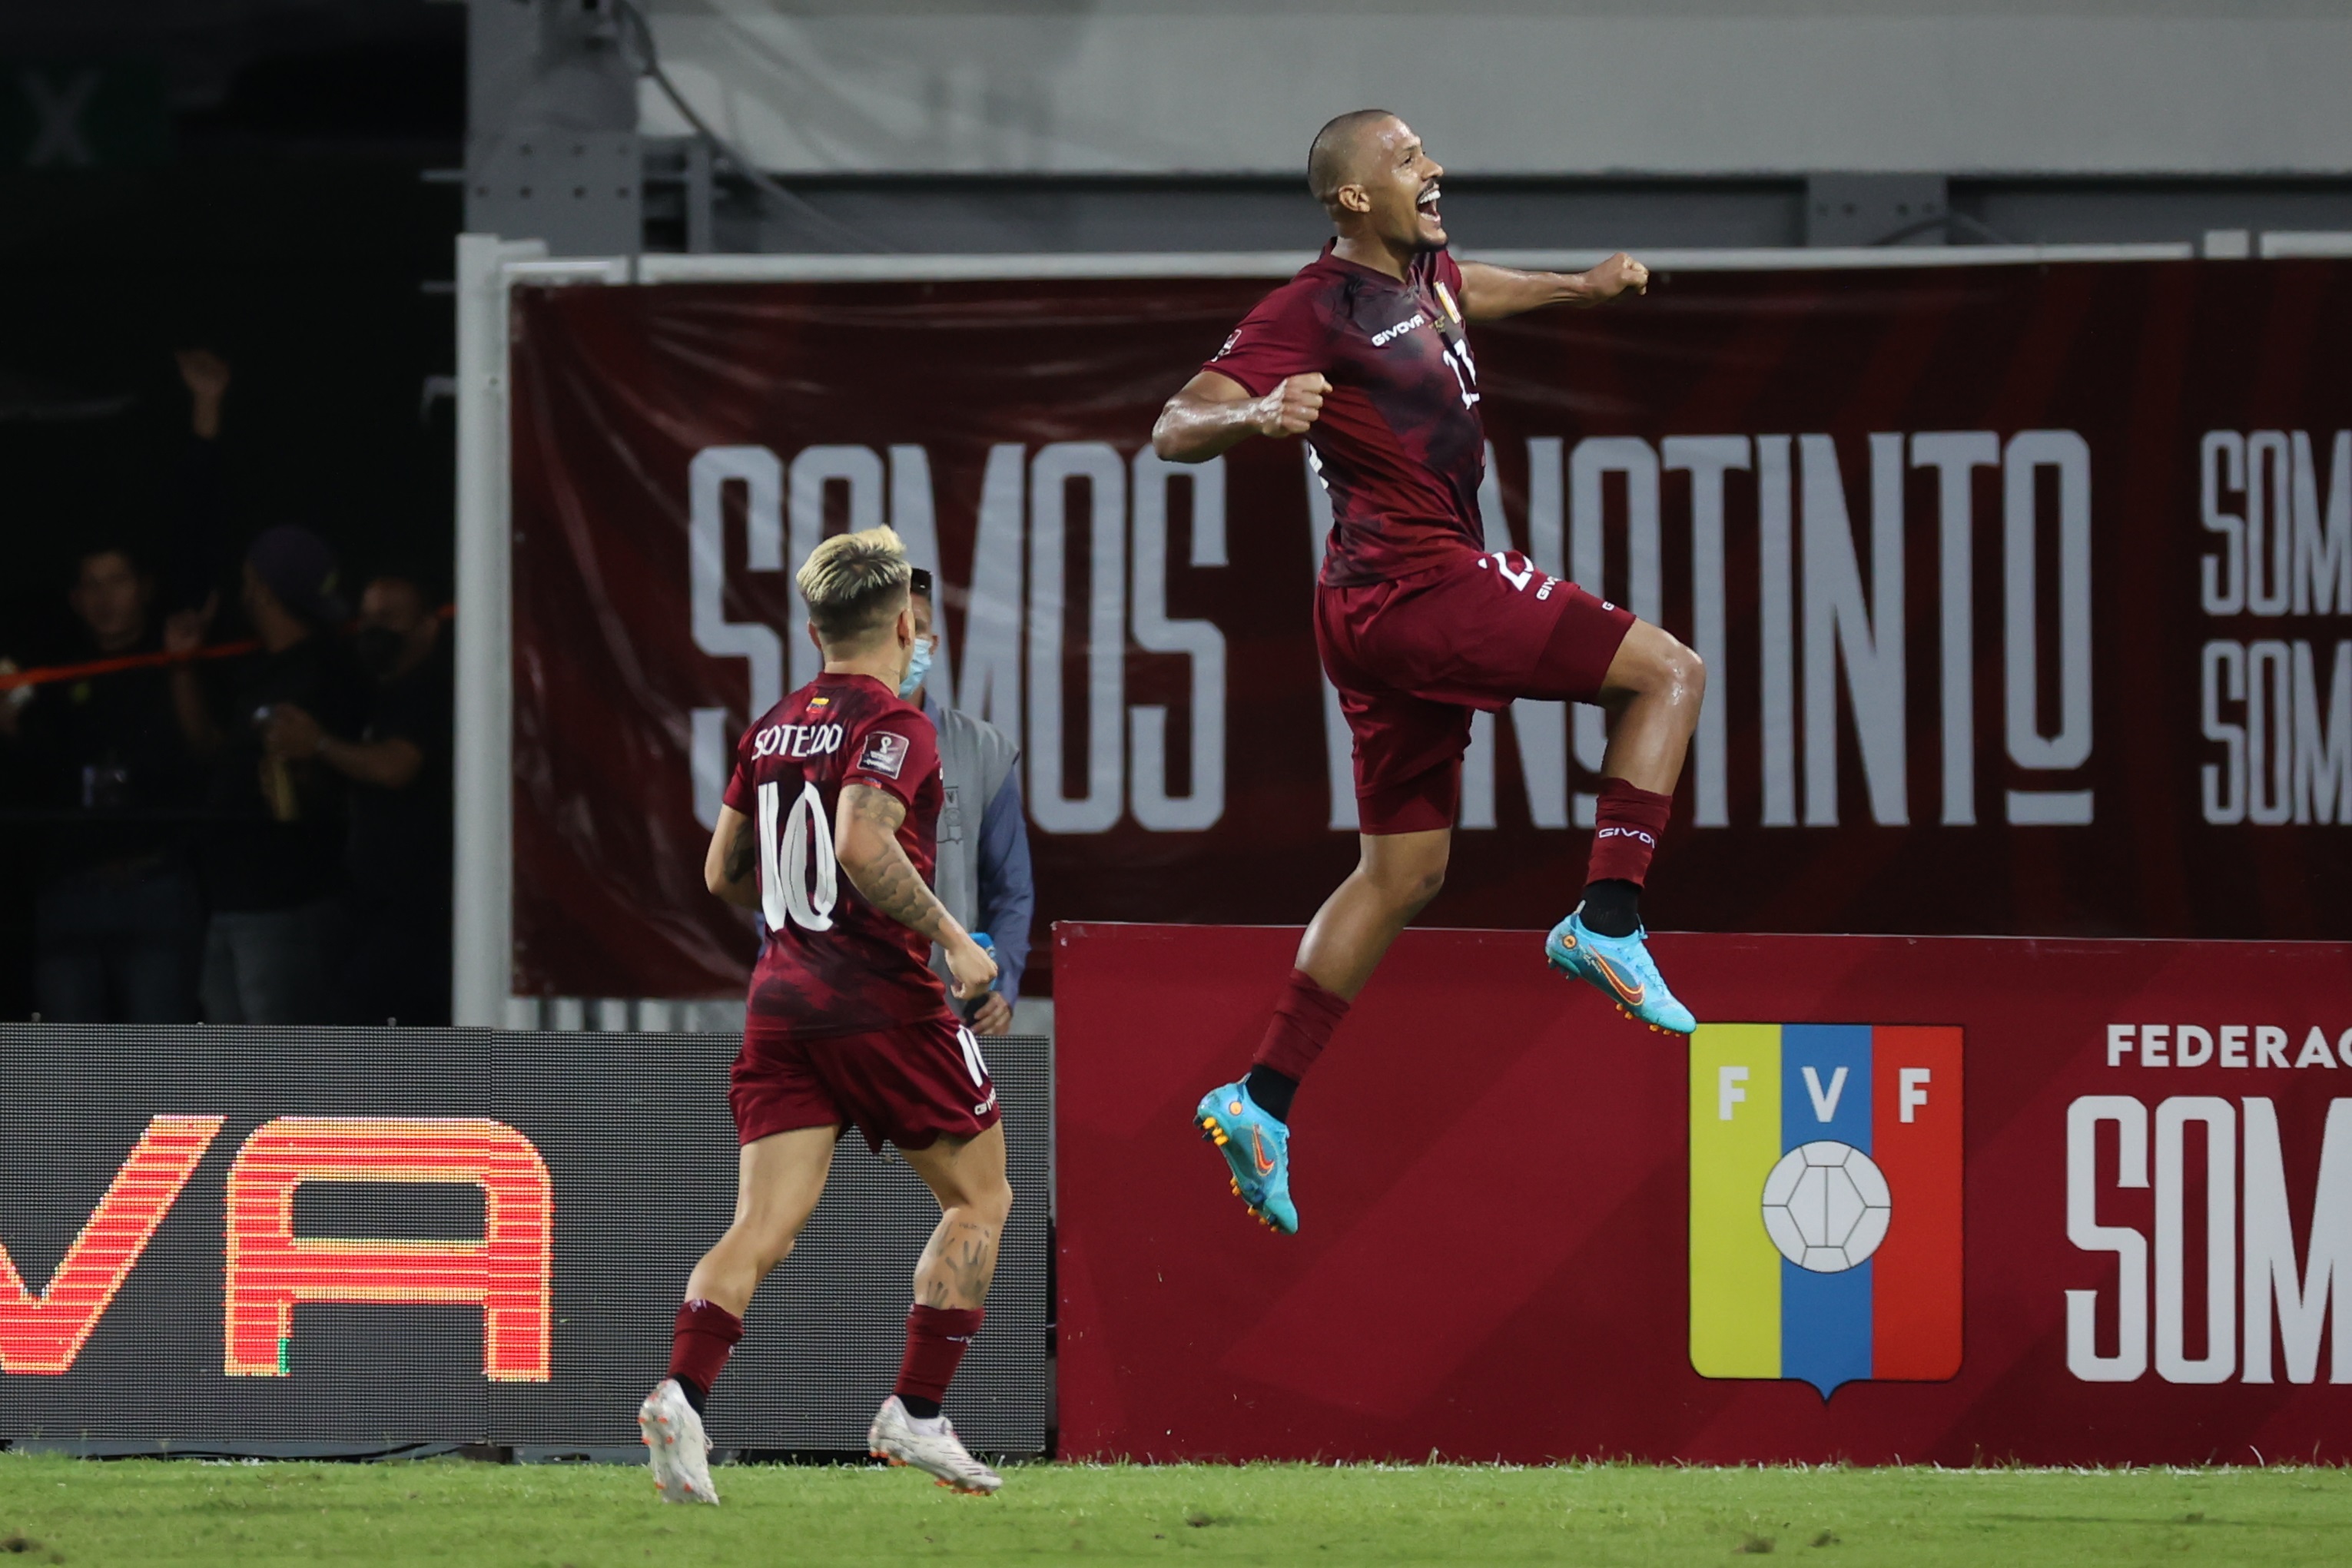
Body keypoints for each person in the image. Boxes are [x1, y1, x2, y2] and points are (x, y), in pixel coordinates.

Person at [1150, 110, 1704, 1235]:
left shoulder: (1426, 273)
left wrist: (1578, 291)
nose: (1433, 167)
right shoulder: (1310, 306)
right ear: (1352, 198)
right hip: (1415, 585)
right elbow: (1172, 425)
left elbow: (1470, 292)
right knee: (1667, 676)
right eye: (1406, 160)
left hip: (1367, 607)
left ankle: (1261, 1097)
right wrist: (1258, 412)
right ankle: (1606, 916)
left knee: (1401, 875)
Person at [637, 526, 1012, 1504]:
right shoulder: (901, 724)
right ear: (902, 623)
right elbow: (859, 839)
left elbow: (721, 872)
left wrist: (796, 906)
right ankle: (916, 1413)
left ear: (813, 630)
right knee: (981, 1198)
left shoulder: (766, 728)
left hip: (780, 1001)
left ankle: (682, 1395)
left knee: (759, 1224)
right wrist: (958, 939)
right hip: (882, 1000)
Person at [171, 525, 370, 1024]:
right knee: (234, 1073)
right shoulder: (259, 666)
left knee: (280, 1071)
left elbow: (333, 787)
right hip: (229, 896)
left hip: (287, 901)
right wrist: (181, 668)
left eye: (248, 580)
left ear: (259, 585)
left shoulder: (328, 669)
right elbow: (210, 751)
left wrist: (303, 775)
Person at [1, 543, 205, 1022]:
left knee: (161, 1064)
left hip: (154, 883)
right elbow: (38, 776)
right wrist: (10, 731)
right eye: (91, 584)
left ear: (145, 589)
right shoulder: (54, 670)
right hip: (68, 889)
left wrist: (184, 667)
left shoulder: (177, 658)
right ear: (75, 598)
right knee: (74, 1072)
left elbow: (202, 752)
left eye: (116, 581)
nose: (104, 597)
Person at [264, 572, 454, 1025]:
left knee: (353, 1021)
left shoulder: (435, 689)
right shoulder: (381, 697)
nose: (372, 629)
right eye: (365, 618)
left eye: (388, 618)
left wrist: (321, 746)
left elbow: (395, 768)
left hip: (422, 912)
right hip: (373, 902)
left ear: (428, 625)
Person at [905, 567, 1033, 1036]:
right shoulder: (828, 743)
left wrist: (1005, 984)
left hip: (952, 1015)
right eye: (891, 627)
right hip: (846, 1015)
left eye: (916, 627)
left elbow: (1011, 888)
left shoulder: (982, 750)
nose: (904, 639)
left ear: (932, 643)